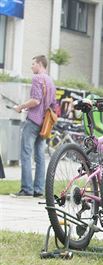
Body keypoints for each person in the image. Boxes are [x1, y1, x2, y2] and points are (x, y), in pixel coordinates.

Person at [13, 55, 57, 197]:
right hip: (44, 124)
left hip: (33, 122)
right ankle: (38, 190)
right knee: (40, 157)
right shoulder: (51, 81)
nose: (31, 66)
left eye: (33, 64)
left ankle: (26, 189)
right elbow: (52, 105)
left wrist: (21, 106)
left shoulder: (37, 78)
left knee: (26, 155)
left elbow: (36, 100)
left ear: (39, 64)